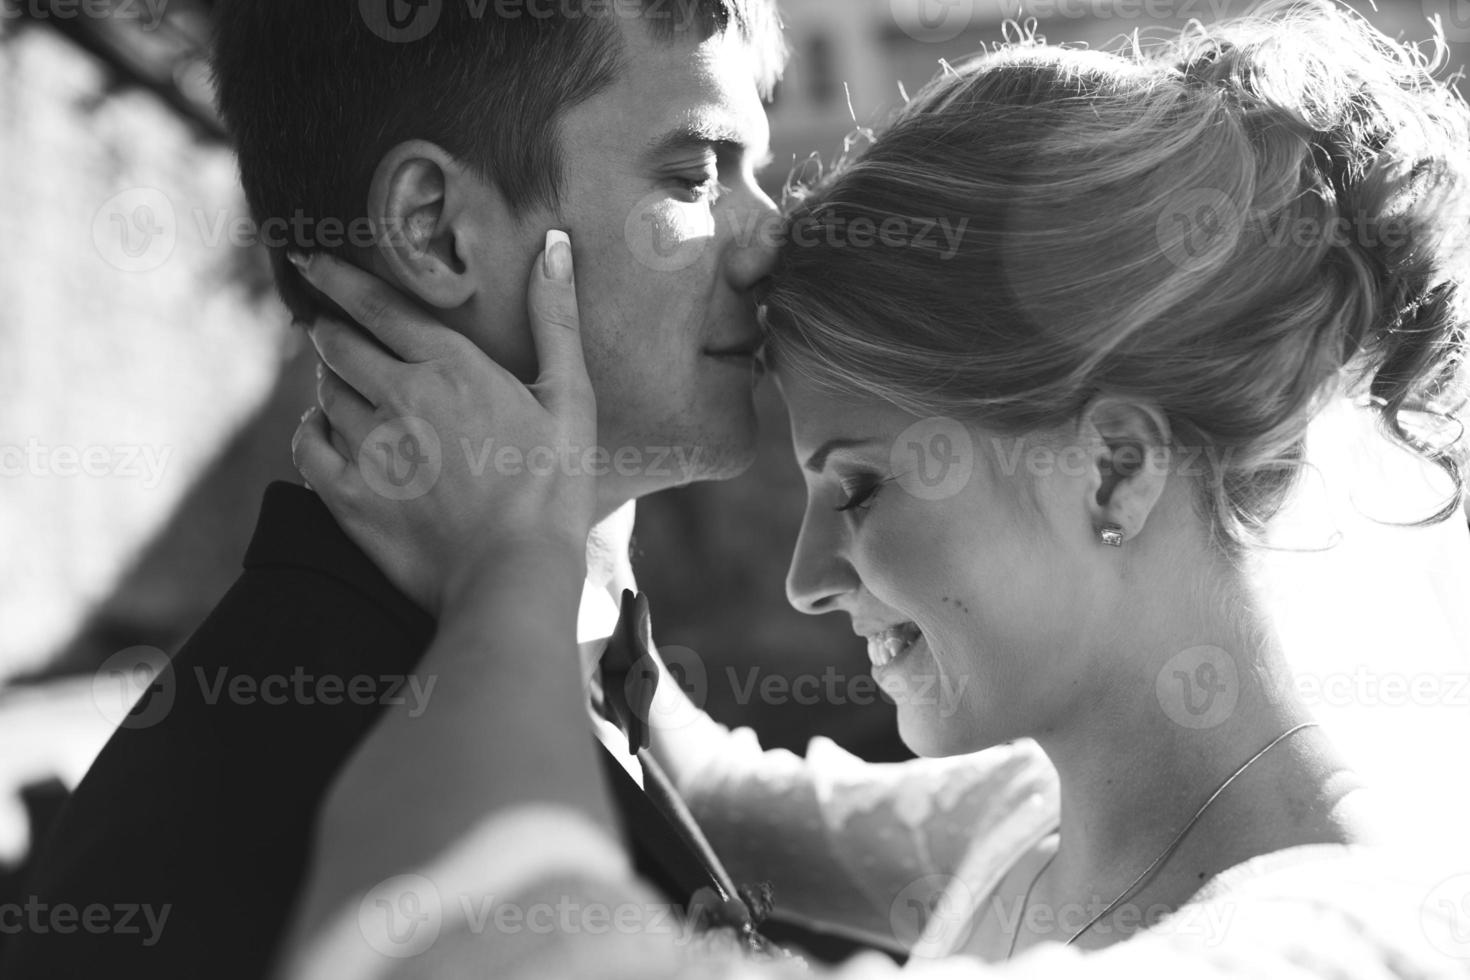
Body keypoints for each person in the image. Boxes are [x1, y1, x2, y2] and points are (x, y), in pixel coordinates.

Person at [277, 1, 1470, 976]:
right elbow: (708, 785)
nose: (803, 580)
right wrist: (576, 485)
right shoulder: (1023, 819)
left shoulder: (1327, 941)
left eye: (856, 489)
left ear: (1115, 467)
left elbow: (465, 942)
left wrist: (507, 568)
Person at [0, 3, 799, 977]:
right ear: (435, 229)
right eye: (696, 173)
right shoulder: (239, 800)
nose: (771, 238)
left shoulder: (561, 657)